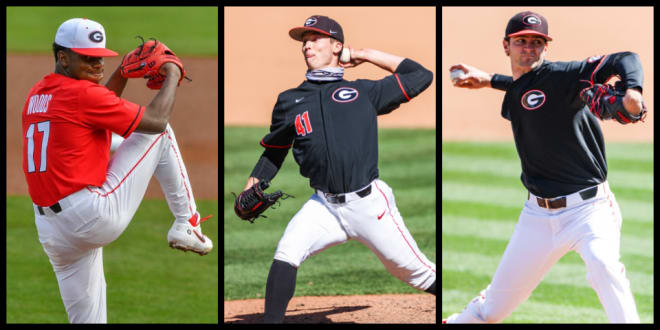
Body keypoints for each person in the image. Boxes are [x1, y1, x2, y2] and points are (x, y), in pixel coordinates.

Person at [444, 11, 645, 323]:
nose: (528, 47)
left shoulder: (567, 76)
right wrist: (490, 80)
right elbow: (529, 92)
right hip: (537, 216)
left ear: (545, 47)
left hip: (590, 209)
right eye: (521, 41)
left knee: (603, 266)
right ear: (506, 45)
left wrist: (633, 90)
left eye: (536, 42)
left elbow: (626, 58)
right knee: (493, 311)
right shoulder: (517, 90)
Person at [238, 15, 436, 323]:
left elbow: (420, 75)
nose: (307, 45)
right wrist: (252, 186)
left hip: (369, 205)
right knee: (286, 252)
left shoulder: (363, 93)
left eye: (316, 38)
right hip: (323, 206)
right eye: (304, 40)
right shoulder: (290, 101)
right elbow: (274, 153)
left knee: (418, 275)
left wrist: (362, 55)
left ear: (337, 46)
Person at [22, 18, 213, 323]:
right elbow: (156, 120)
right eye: (87, 57)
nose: (97, 63)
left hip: (53, 232)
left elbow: (96, 110)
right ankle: (186, 224)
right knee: (160, 135)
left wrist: (122, 71)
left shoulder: (39, 93)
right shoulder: (83, 96)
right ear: (63, 57)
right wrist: (173, 72)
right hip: (90, 216)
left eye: (100, 57)